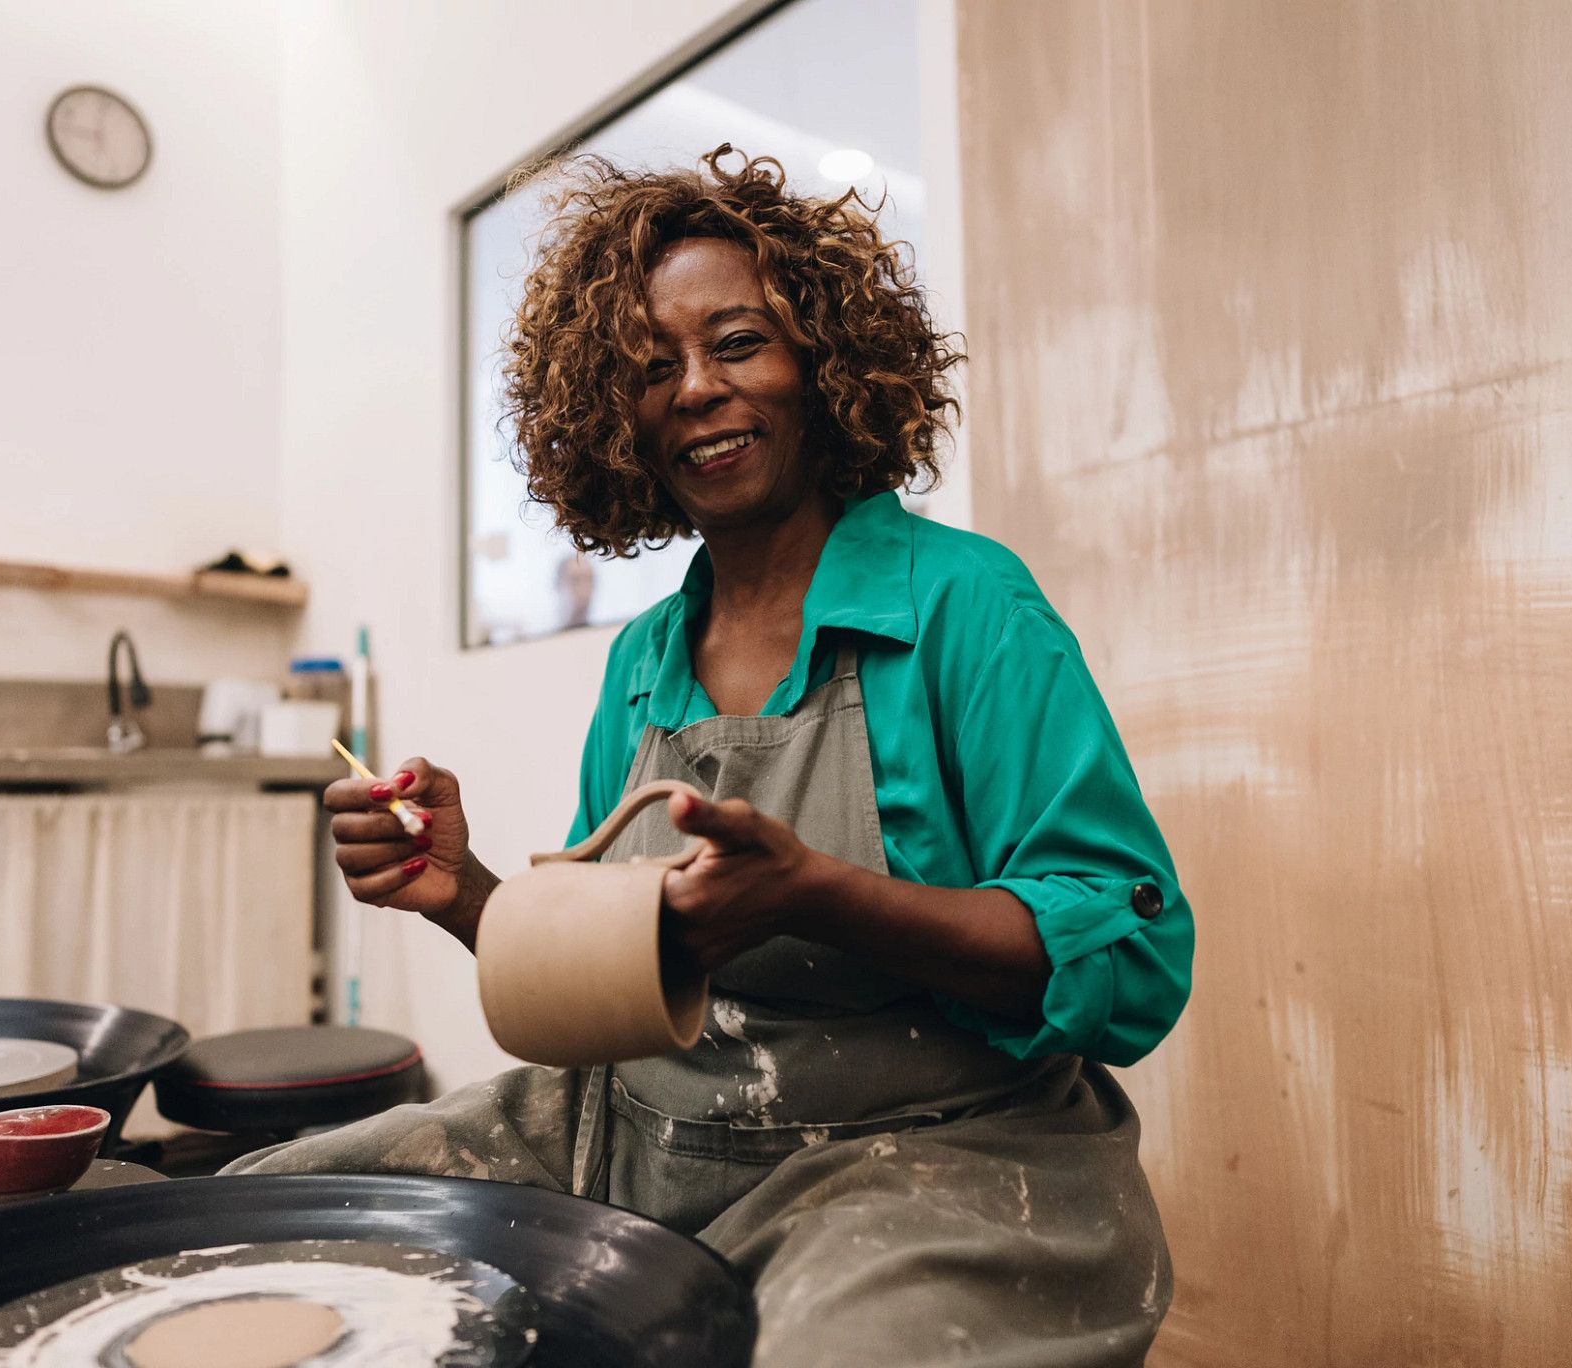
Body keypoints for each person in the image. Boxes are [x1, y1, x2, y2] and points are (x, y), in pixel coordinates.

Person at [228, 147, 1193, 1367]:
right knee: (262, 1218)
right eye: (647, 368)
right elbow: (618, 978)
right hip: (638, 1128)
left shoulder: (966, 606)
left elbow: (1133, 961)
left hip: (925, 1154)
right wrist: (463, 894)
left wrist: (817, 896)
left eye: (737, 343)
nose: (693, 388)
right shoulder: (643, 656)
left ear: (825, 366)